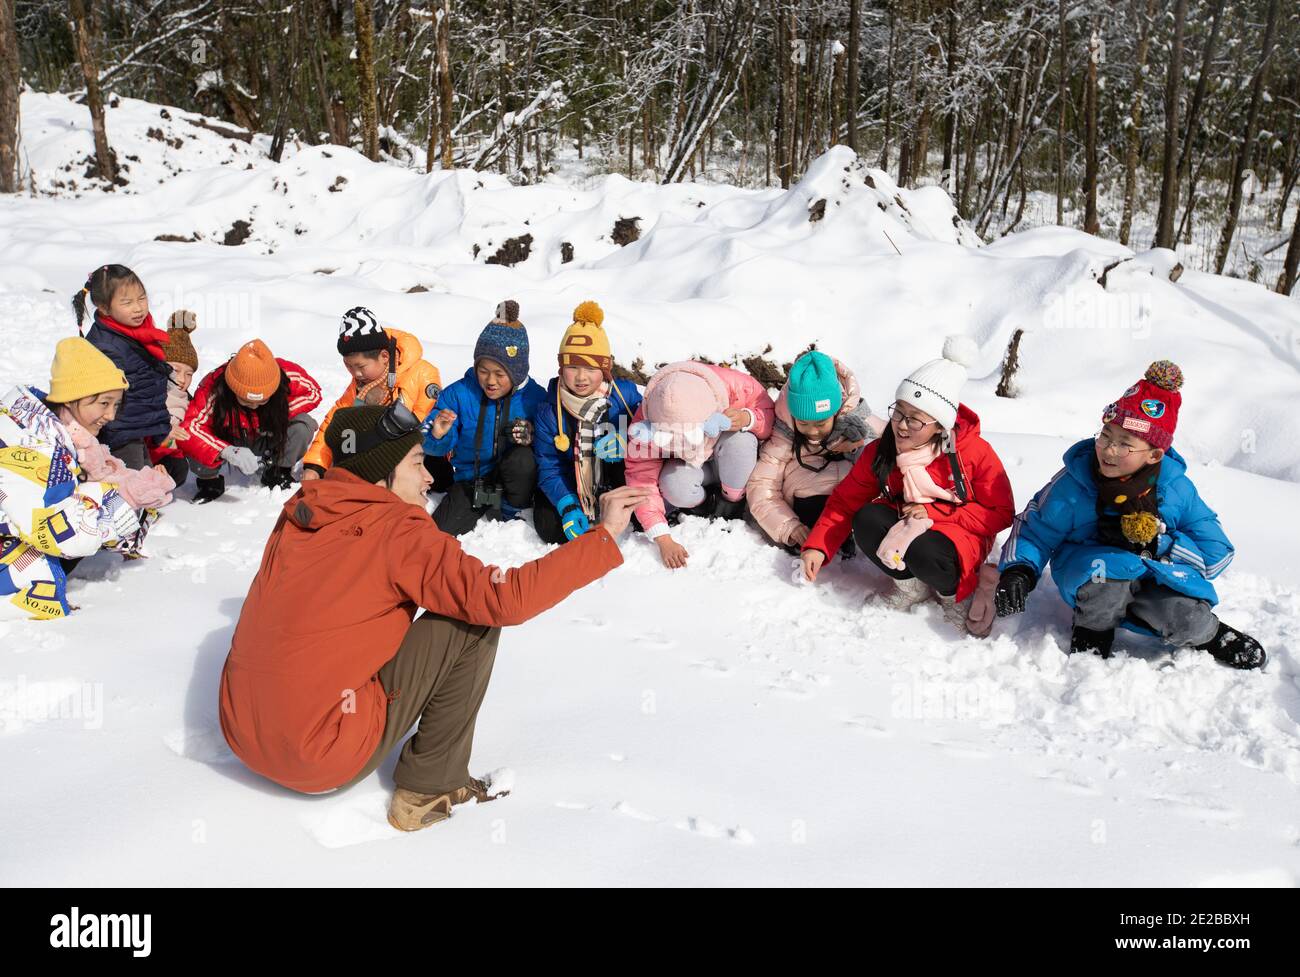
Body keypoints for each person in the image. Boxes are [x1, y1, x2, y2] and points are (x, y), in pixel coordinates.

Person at [217, 403, 650, 831]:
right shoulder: (399, 529)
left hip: (242, 737)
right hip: (322, 756)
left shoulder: (301, 511)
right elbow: (505, 599)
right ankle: (429, 789)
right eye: (418, 463)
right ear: (381, 471)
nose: (429, 478)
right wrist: (605, 535)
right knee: (476, 617)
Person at [994, 360, 1265, 669]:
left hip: (1157, 577)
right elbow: (1034, 530)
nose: (1109, 450)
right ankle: (1091, 641)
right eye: (1106, 436)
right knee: (1106, 581)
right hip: (1093, 573)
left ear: (1154, 454)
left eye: (1125, 445)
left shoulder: (1175, 489)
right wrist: (1020, 570)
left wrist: (1160, 544)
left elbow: (1217, 556)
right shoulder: (1075, 482)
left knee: (1186, 617)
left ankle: (1211, 635)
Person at [800, 338, 1014, 636]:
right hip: (905, 521)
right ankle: (909, 585)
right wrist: (818, 546)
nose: (901, 425)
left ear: (940, 426)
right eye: (898, 412)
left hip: (959, 531)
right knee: (867, 518)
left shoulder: (974, 452)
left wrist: (933, 514)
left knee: (925, 550)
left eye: (914, 420)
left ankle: (952, 594)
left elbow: (1001, 513)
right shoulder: (884, 449)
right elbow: (845, 501)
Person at [0, 339, 173, 619]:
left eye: (116, 404)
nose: (111, 415)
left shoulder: (56, 429)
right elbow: (68, 537)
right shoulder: (39, 448)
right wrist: (127, 499)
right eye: (104, 403)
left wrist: (129, 483)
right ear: (70, 397)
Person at [625, 360, 776, 569]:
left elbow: (772, 416)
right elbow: (640, 478)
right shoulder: (647, 418)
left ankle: (733, 503)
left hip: (729, 455)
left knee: (740, 442)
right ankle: (706, 506)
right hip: (693, 468)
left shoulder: (735, 386)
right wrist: (661, 536)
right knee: (674, 485)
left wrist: (748, 418)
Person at [422, 300, 546, 535]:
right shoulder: (458, 394)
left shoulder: (535, 398)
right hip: (470, 480)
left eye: (500, 374)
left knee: (522, 459)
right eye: (483, 371)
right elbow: (431, 443)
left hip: (513, 484)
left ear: (517, 372)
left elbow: (550, 442)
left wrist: (533, 436)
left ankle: (512, 510)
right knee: (440, 530)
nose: (490, 381)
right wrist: (437, 434)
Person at [747, 350, 884, 553]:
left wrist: (857, 446)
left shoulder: (857, 420)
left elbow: (886, 453)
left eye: (821, 423)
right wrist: (788, 526)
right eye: (803, 423)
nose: (812, 431)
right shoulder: (784, 433)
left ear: (837, 411)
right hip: (807, 495)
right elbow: (762, 485)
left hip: (851, 496)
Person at [301, 306, 449, 488]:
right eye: (348, 366)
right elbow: (335, 421)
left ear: (384, 356)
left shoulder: (422, 373)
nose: (356, 374)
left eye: (360, 366)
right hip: (381, 458)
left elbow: (428, 424)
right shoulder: (361, 386)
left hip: (421, 456)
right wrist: (315, 465)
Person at [532, 301, 643, 544]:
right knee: (550, 530)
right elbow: (549, 467)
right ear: (561, 368)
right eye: (572, 367)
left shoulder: (625, 396)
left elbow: (656, 427)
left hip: (616, 480)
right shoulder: (549, 410)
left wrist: (628, 440)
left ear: (604, 370)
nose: (581, 377)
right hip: (570, 485)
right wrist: (567, 504)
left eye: (590, 368)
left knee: (642, 517)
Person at [179, 338, 322, 503]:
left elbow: (313, 392)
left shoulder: (285, 374)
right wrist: (225, 450)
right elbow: (190, 427)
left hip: (268, 434)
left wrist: (278, 414)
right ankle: (209, 481)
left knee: (303, 425)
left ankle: (279, 470)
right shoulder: (215, 388)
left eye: (262, 401)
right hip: (231, 437)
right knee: (196, 438)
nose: (254, 407)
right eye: (246, 401)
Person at [74, 264, 172, 470]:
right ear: (104, 308)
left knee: (173, 471)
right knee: (133, 484)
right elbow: (106, 400)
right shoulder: (106, 346)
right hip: (119, 431)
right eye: (127, 302)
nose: (138, 308)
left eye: (142, 298)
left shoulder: (140, 331)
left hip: (141, 425)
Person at [148, 309, 200, 489]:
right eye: (176, 370)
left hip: (166, 457)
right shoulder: (149, 393)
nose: (182, 379)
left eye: (189, 374)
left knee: (179, 469)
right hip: (140, 456)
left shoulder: (189, 402)